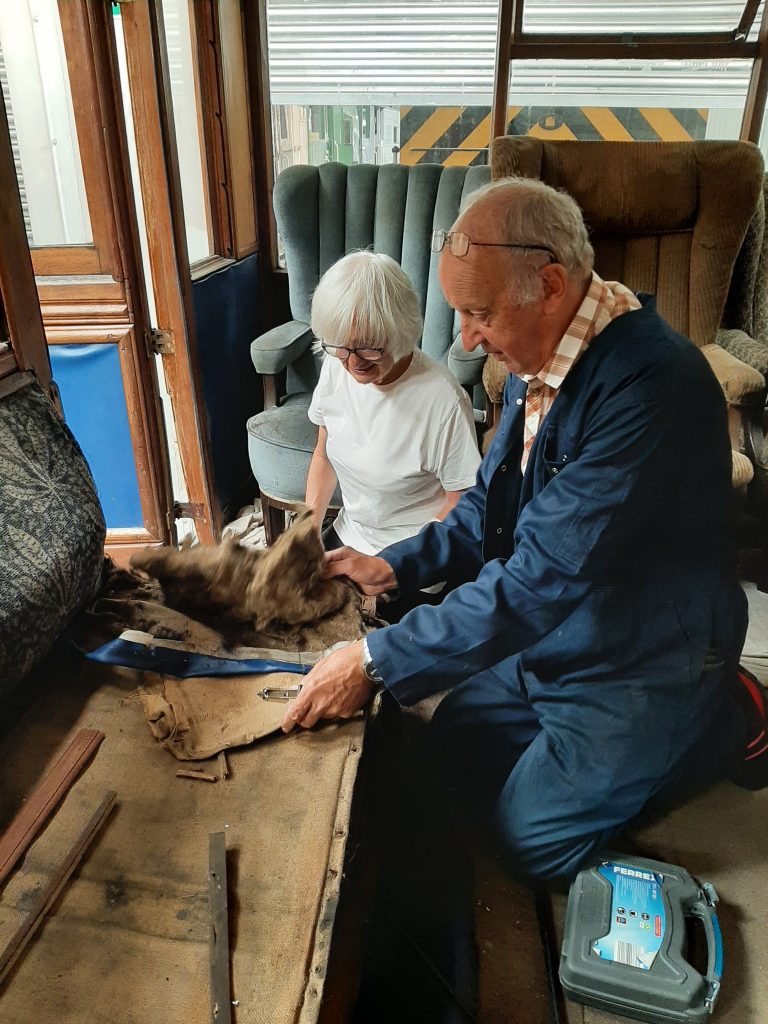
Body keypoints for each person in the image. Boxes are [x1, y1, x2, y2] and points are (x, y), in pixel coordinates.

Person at [281, 177, 766, 883]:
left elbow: (543, 575)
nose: (467, 339)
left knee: (524, 844)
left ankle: (720, 719)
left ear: (549, 281)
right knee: (446, 748)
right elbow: (488, 507)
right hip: (567, 632)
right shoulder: (537, 360)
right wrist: (394, 566)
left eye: (478, 314)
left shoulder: (652, 386)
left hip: (644, 655)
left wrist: (374, 659)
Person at [305, 250, 481, 560]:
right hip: (350, 534)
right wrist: (309, 533)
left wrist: (397, 564)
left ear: (401, 330)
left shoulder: (443, 401)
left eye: (369, 347)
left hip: (412, 555)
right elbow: (324, 453)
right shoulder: (337, 365)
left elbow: (464, 502)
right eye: (342, 347)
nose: (354, 362)